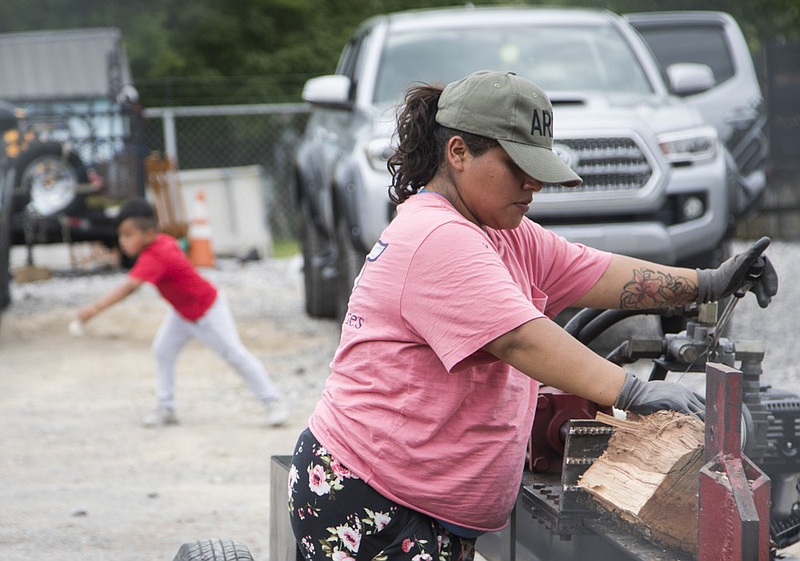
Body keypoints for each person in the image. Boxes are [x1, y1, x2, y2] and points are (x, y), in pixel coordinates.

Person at [287, 71, 778, 561]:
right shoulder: (437, 236)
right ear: (458, 153)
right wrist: (635, 392)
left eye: (538, 167)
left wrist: (708, 282)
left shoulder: (502, 232)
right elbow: (522, 339)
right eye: (516, 165)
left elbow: (596, 272)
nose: (533, 183)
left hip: (410, 505)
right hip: (372, 503)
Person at [76, 197, 288, 428]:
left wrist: (93, 310)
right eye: (121, 235)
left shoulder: (155, 256)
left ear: (148, 234)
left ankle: (272, 400)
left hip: (207, 310)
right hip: (182, 313)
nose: (122, 241)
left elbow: (129, 287)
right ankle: (166, 407)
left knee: (234, 354)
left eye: (128, 235)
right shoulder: (162, 242)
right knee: (162, 350)